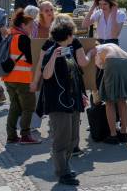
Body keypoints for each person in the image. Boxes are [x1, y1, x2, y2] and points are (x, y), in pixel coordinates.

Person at [39, 16, 86, 186]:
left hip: (72, 101)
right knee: (61, 141)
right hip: (59, 104)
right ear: (68, 35)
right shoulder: (52, 51)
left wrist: (81, 94)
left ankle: (66, 166)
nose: (74, 36)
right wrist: (53, 57)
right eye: (72, 33)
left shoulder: (68, 51)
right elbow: (46, 75)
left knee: (72, 139)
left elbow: (74, 75)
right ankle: (62, 173)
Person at [87, 43, 127, 144]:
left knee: (109, 101)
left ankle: (113, 135)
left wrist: (95, 90)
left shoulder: (94, 50)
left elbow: (95, 73)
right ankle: (124, 133)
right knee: (122, 100)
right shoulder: (108, 46)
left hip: (112, 61)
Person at [2, 10, 39, 144]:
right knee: (28, 107)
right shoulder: (23, 38)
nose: (32, 29)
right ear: (23, 25)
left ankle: (11, 136)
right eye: (30, 26)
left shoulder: (9, 35)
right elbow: (31, 59)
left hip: (8, 77)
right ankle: (25, 135)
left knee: (15, 106)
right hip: (22, 79)